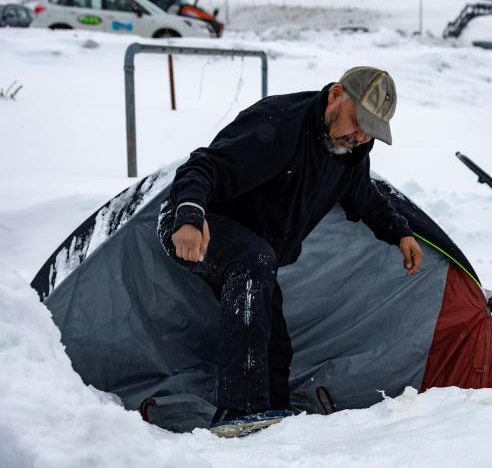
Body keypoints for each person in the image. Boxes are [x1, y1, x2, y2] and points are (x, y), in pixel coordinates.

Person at [156, 66, 423, 437]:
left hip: (254, 246)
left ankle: (272, 424)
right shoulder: (278, 124)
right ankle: (239, 413)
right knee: (253, 262)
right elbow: (205, 166)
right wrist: (188, 217)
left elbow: (364, 198)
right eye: (358, 121)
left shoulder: (350, 149)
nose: (361, 135)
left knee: (274, 342)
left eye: (371, 131)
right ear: (336, 95)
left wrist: (400, 234)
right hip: (196, 220)